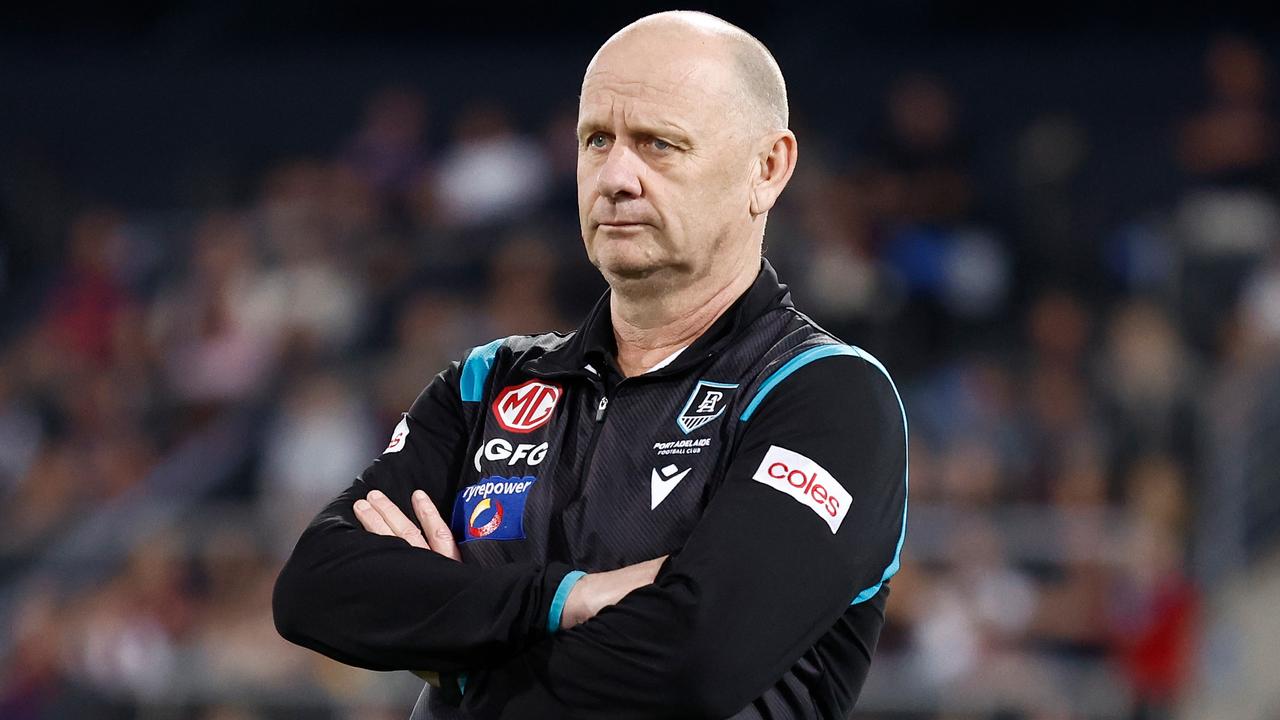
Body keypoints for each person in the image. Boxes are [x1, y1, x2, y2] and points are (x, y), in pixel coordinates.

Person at [273, 11, 907, 719]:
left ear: (767, 168)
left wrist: (453, 646)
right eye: (596, 140)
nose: (616, 177)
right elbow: (313, 588)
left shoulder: (827, 396)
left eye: (658, 144)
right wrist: (561, 599)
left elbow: (688, 665)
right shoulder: (488, 383)